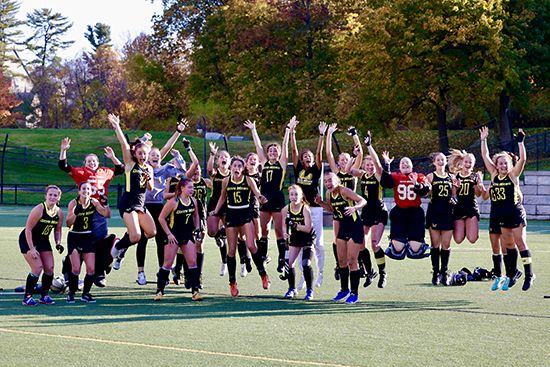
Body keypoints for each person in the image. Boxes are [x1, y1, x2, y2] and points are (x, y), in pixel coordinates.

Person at [59, 138, 123, 287]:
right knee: (81, 241)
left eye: (94, 161)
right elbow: (64, 166)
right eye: (89, 161)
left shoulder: (105, 172)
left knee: (100, 243)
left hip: (99, 211)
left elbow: (120, 169)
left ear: (98, 162)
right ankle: (69, 267)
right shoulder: (81, 172)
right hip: (83, 209)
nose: (92, 163)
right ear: (85, 163)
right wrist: (64, 150)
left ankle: (99, 271)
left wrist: (113, 157)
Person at [480, 127, 535, 291]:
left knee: (520, 242)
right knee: (508, 246)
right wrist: (483, 140)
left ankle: (529, 275)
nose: (503, 165)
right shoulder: (494, 175)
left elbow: (523, 160)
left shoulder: (512, 175)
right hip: (501, 215)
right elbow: (484, 156)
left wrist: (520, 143)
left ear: (510, 164)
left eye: (506, 163)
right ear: (496, 165)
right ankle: (512, 273)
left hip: (515, 212)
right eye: (500, 163)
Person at [210, 156, 270, 297]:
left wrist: (262, 198)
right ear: (231, 167)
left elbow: (257, 194)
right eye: (234, 166)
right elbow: (222, 198)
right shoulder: (226, 181)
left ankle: (263, 274)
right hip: (231, 214)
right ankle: (232, 282)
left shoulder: (249, 180)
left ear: (243, 169)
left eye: (239, 166)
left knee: (251, 244)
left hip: (245, 214)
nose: (236, 168)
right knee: (231, 250)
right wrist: (216, 211)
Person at [135, 128, 187, 285]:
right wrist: (142, 140)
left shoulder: (165, 169)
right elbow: (135, 151)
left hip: (158, 206)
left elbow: (182, 171)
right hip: (143, 206)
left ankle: (161, 272)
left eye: (157, 155)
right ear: (147, 157)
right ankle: (141, 272)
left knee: (161, 240)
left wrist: (178, 156)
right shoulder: (142, 167)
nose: (155, 157)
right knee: (142, 239)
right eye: (152, 155)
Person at [244, 119, 291, 276]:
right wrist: (253, 130)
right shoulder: (263, 163)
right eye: (270, 151)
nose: (272, 153)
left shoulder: (281, 163)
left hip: (277, 199)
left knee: (279, 230)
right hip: (264, 199)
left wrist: (288, 131)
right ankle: (263, 256)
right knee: (263, 230)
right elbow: (258, 147)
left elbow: (285, 147)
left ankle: (281, 259)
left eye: (274, 151)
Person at [108, 114, 157, 263]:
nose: (142, 155)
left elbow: (151, 188)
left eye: (145, 153)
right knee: (135, 236)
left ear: (148, 155)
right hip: (129, 202)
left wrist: (148, 179)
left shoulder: (149, 168)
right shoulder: (130, 164)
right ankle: (118, 246)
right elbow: (123, 144)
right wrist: (117, 126)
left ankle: (123, 241)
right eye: (140, 153)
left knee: (151, 232)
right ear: (135, 154)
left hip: (141, 204)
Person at [318, 172, 367, 304]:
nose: (328, 183)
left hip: (355, 228)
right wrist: (321, 203)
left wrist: (355, 208)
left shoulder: (344, 190)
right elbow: (332, 209)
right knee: (341, 261)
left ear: (337, 181)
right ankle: (344, 290)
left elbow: (363, 200)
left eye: (330, 180)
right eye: (326, 181)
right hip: (343, 228)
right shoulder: (329, 194)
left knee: (352, 261)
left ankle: (354, 293)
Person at [349, 131, 390, 288]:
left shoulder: (378, 176)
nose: (370, 167)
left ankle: (383, 273)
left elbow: (379, 166)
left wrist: (370, 147)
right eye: (367, 165)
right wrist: (356, 146)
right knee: (360, 244)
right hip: (366, 211)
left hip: (379, 211)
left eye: (371, 165)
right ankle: (369, 270)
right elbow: (351, 170)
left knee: (375, 244)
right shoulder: (362, 174)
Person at [290, 119, 327, 287]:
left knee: (318, 243)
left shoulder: (315, 170)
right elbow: (293, 149)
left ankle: (320, 273)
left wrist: (322, 135)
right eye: (305, 156)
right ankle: (304, 277)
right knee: (299, 244)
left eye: (310, 156)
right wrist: (292, 132)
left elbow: (319, 154)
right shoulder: (299, 169)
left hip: (314, 208)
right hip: (300, 209)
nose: (308, 157)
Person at [156, 178, 202, 301]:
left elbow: (196, 215)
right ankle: (159, 291)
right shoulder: (173, 202)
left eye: (193, 187)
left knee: (193, 263)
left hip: (187, 235)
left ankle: (195, 291)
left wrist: (197, 228)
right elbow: (161, 218)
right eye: (190, 187)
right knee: (167, 263)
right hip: (174, 236)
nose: (192, 190)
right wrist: (169, 234)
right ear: (182, 188)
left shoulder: (193, 201)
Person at [19, 185, 64, 306]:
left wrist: (58, 243)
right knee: (37, 267)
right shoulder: (39, 209)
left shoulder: (59, 213)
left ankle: (44, 296)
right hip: (28, 239)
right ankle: (27, 297)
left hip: (43, 240)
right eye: (50, 194)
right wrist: (32, 248)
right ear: (46, 196)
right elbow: (28, 229)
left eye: (55, 195)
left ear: (59, 197)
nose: (52, 197)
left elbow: (58, 230)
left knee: (49, 268)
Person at [65, 182, 110, 303]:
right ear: (79, 191)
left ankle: (86, 293)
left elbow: (106, 214)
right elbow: (68, 223)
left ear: (91, 191)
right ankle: (71, 293)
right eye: (83, 188)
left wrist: (106, 204)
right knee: (76, 269)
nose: (86, 191)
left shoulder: (94, 202)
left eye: (88, 189)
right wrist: (76, 212)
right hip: (74, 237)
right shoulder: (73, 203)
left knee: (91, 269)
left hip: (88, 237)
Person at [381, 151, 431, 260]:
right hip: (400, 212)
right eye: (402, 163)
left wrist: (416, 184)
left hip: (415, 213)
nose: (405, 164)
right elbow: (385, 183)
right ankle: (396, 243)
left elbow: (426, 190)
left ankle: (418, 243)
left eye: (407, 162)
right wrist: (387, 165)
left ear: (412, 166)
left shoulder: (418, 176)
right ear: (399, 166)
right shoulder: (396, 175)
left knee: (415, 252)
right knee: (397, 252)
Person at [425, 152, 457, 286]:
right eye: (438, 160)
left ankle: (444, 272)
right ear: (434, 162)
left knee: (446, 244)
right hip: (434, 212)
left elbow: (455, 195)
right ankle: (436, 272)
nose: (440, 162)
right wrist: (426, 188)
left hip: (448, 212)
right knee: (435, 244)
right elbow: (425, 194)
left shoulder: (452, 177)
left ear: (446, 162)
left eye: (442, 160)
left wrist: (454, 199)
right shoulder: (430, 176)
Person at [281, 185, 316, 300]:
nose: (294, 197)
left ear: (301, 196)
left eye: (296, 194)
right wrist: (285, 233)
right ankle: (292, 289)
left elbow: (308, 228)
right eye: (291, 194)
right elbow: (284, 225)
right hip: (295, 239)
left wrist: (295, 226)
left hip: (306, 239)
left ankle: (310, 290)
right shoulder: (286, 209)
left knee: (306, 263)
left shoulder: (305, 208)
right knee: (289, 264)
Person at [448, 149, 485, 245]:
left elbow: (478, 194)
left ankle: (470, 227)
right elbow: (453, 196)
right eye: (466, 162)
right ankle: (463, 228)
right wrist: (455, 188)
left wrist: (476, 184)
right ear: (462, 162)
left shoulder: (475, 176)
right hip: (458, 209)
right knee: (458, 240)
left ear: (473, 165)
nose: (468, 164)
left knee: (472, 239)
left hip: (471, 208)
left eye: (470, 162)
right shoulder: (455, 176)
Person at [206, 142, 231, 276]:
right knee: (211, 231)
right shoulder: (215, 174)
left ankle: (225, 263)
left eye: (225, 157)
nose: (223, 158)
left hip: (227, 205)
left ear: (229, 161)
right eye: (220, 157)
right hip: (214, 204)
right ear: (218, 161)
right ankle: (218, 235)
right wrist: (212, 154)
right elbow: (209, 170)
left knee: (228, 231)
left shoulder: (233, 174)